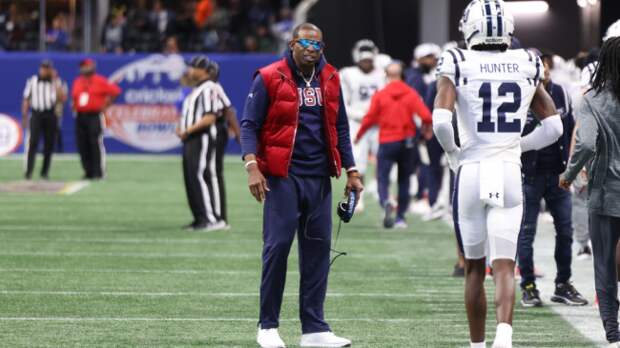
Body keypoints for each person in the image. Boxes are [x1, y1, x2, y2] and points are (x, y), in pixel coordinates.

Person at [433, 1, 563, 347]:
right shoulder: (526, 62)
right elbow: (554, 128)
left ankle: (477, 345)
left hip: (472, 169)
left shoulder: (457, 60)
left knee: (474, 268)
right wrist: (517, 147)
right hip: (506, 170)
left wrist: (454, 154)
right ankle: (503, 337)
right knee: (504, 266)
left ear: (470, 26)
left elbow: (441, 122)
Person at [240, 23, 362, 348]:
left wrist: (351, 170)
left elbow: (341, 127)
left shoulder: (331, 77)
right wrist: (252, 166)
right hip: (283, 177)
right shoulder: (268, 76)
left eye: (317, 43)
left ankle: (314, 329)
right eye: (306, 42)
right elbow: (249, 124)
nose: (312, 48)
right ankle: (267, 326)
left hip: (320, 177)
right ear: (293, 43)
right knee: (277, 248)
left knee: (318, 252)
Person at [560, 36, 620, 347]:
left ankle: (613, 329)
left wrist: (569, 175)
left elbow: (584, 143)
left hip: (605, 190)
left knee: (604, 264)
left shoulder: (593, 98)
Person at [517, 52, 587, 308]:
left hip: (557, 174)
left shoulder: (561, 93)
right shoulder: (519, 93)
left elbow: (569, 130)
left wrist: (570, 168)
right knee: (526, 233)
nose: (543, 72)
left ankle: (563, 284)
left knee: (565, 231)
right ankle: (528, 285)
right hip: (529, 174)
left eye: (545, 68)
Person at [355, 61, 431, 228]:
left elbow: (369, 119)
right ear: (403, 75)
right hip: (407, 143)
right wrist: (426, 131)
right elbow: (426, 116)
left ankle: (385, 202)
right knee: (404, 180)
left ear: (386, 75)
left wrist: (358, 136)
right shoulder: (411, 94)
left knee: (383, 179)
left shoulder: (380, 95)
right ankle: (400, 218)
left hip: (387, 142)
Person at [177, 56, 229, 231]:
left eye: (193, 67)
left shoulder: (208, 88)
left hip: (202, 136)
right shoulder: (197, 89)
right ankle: (200, 217)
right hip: (192, 137)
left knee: (200, 175)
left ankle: (209, 218)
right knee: (191, 177)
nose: (190, 70)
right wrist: (182, 128)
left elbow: (209, 117)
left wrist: (188, 130)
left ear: (204, 70)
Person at [340, 39, 385, 212]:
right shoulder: (347, 74)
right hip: (358, 123)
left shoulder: (381, 74)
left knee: (383, 158)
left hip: (377, 123)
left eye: (369, 60)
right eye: (363, 60)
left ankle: (380, 191)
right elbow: (344, 103)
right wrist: (362, 115)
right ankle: (357, 197)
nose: (367, 63)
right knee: (358, 163)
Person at [71, 58, 121, 180]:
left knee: (95, 143)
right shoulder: (78, 81)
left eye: (86, 66)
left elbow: (115, 91)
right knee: (82, 144)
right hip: (80, 116)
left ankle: (98, 172)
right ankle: (88, 171)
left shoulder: (100, 81)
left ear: (92, 66)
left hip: (94, 116)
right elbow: (74, 97)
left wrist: (106, 105)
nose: (83, 68)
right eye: (82, 66)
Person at [207, 60, 240, 225]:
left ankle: (219, 216)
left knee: (213, 173)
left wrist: (240, 136)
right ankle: (210, 214)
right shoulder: (204, 88)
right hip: (208, 134)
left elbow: (229, 110)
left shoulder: (213, 87)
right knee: (208, 173)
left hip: (216, 132)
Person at [22, 59, 66, 180]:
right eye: (43, 67)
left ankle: (44, 172)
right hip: (36, 114)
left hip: (50, 115)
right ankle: (28, 171)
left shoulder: (56, 82)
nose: (44, 70)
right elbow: (26, 98)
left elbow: (61, 99)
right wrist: (24, 116)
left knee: (49, 144)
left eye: (47, 68)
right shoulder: (32, 81)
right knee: (33, 143)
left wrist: (55, 80)